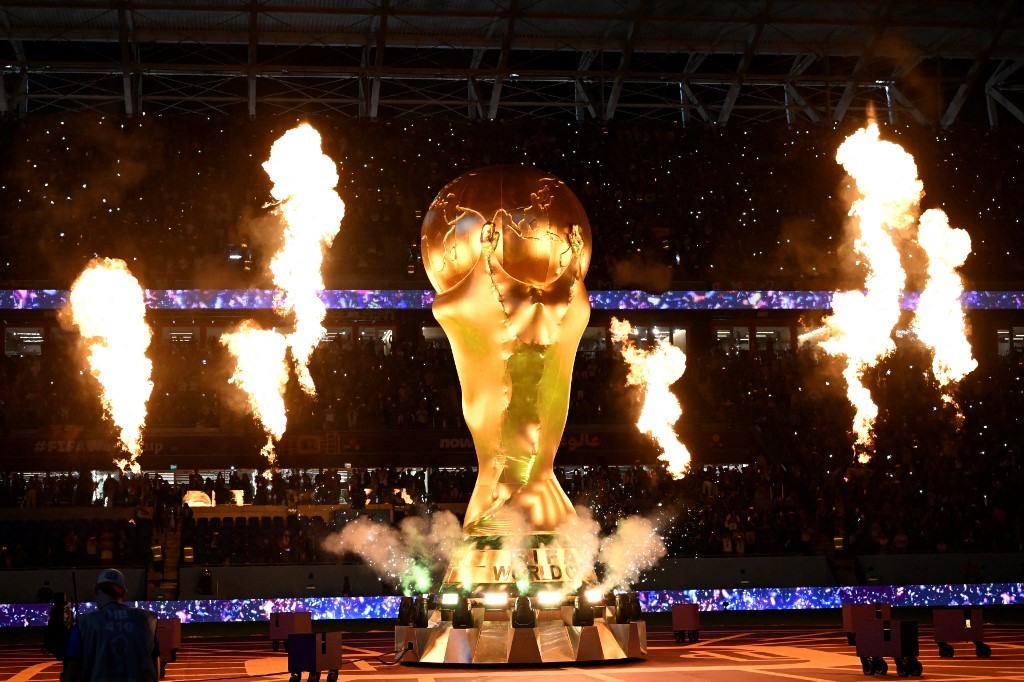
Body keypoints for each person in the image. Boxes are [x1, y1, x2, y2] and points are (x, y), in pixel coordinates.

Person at [60, 569, 158, 682]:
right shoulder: (146, 620)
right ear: (124, 593)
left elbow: (72, 673)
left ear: (96, 592)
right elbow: (154, 669)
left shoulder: (84, 624)